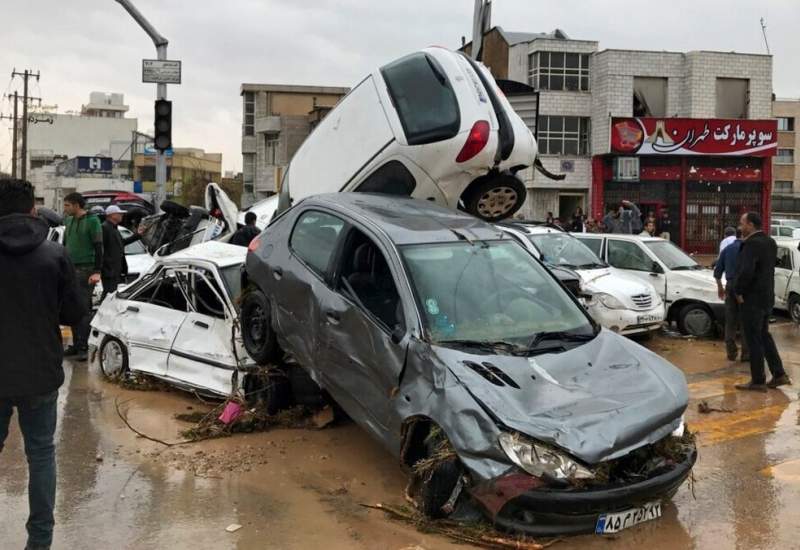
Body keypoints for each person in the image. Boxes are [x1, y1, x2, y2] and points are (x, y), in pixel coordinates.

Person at [0, 178, 85, 550]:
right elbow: (75, 313)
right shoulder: (54, 255)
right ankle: (40, 542)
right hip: (40, 372)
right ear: (32, 209)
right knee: (41, 454)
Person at [733, 212, 791, 392]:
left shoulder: (751, 244)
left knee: (754, 339)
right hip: (767, 297)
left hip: (751, 298)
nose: (740, 227)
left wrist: (738, 291)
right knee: (764, 335)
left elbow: (746, 271)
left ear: (750, 225)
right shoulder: (770, 242)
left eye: (742, 223)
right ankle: (779, 373)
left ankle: (758, 380)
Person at [62, 192, 103, 362]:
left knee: (83, 308)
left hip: (86, 269)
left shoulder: (92, 221)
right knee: (70, 307)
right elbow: (65, 245)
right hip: (70, 268)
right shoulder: (68, 221)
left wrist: (97, 271)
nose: (65, 209)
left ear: (77, 205)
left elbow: (99, 247)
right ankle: (75, 345)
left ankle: (83, 346)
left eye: (67, 205)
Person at [714, 229, 749, 362]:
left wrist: (720, 288)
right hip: (745, 287)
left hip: (730, 285)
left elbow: (717, 272)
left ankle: (731, 352)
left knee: (731, 320)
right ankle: (746, 354)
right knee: (745, 320)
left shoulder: (727, 249)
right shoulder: (748, 250)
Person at [100, 205, 142, 302]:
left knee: (112, 293)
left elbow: (121, 243)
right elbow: (100, 249)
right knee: (109, 293)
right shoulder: (105, 228)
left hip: (115, 268)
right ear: (111, 215)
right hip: (109, 269)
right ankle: (103, 312)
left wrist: (137, 235)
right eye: (119, 213)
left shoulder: (114, 228)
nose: (122, 215)